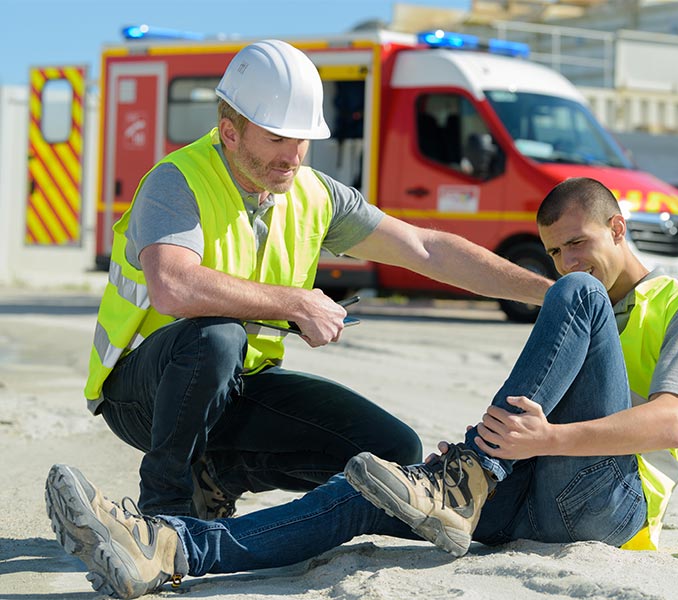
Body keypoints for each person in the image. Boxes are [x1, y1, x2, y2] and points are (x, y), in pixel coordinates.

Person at [46, 177, 678, 599]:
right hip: (532, 500)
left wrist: (542, 439)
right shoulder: (582, 306)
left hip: (612, 509)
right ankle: (171, 548)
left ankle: (468, 476)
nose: (569, 262)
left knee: (573, 298)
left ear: (619, 227)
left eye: (579, 243)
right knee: (369, 488)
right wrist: (511, 448)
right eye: (554, 253)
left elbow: (668, 425)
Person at [84, 39, 551, 521]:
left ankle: (217, 476)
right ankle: (164, 510)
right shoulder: (177, 179)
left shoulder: (314, 194)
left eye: (302, 139)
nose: (293, 156)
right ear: (229, 132)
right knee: (216, 337)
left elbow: (426, 249)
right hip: (143, 394)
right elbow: (173, 287)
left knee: (393, 450)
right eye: (276, 139)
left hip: (238, 384)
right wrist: (295, 303)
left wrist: (546, 291)